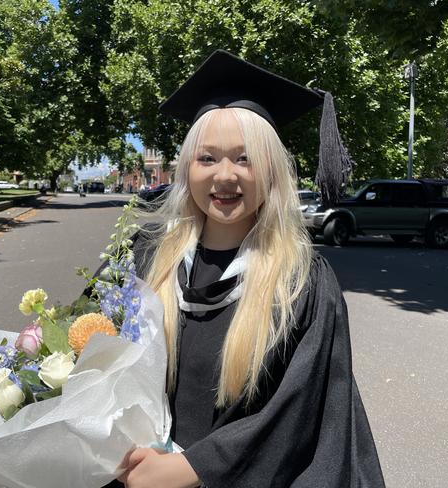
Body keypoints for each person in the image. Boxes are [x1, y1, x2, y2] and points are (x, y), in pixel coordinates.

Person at [107, 50, 384, 488]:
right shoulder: (144, 258)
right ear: (186, 168)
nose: (225, 176)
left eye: (245, 158)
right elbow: (91, 359)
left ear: (272, 171)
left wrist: (195, 468)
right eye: (207, 158)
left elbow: (303, 409)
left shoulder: (302, 282)